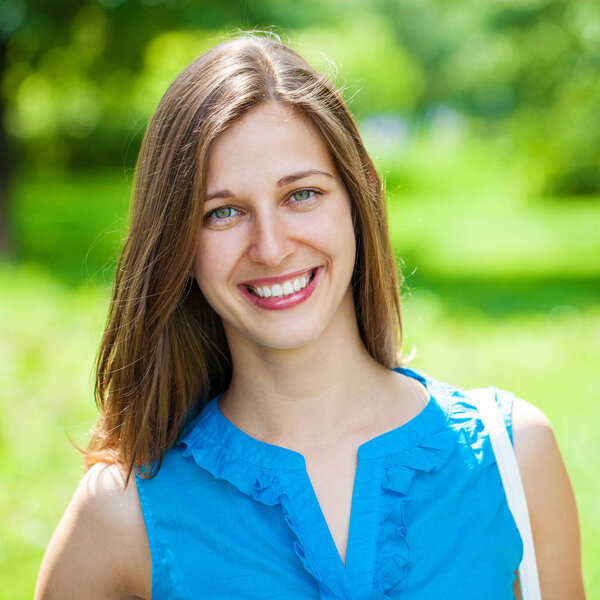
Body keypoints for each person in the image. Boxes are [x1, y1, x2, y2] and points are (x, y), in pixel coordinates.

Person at [34, 34, 585, 599]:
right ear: (179, 246)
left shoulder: (511, 456)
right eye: (222, 212)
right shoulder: (121, 514)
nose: (271, 248)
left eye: (301, 195)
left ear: (359, 197)